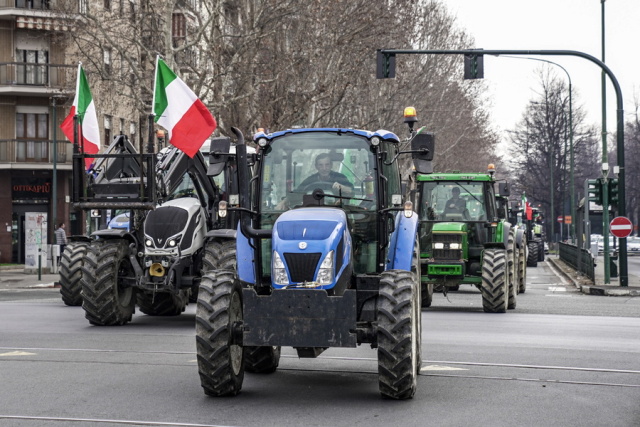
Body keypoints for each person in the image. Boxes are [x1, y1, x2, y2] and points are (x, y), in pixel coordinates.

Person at [277, 153, 354, 209]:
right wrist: (283, 202)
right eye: (320, 165)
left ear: (331, 165)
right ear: (316, 166)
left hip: (337, 211)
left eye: (327, 165)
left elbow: (352, 192)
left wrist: (343, 188)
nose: (324, 168)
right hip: (312, 212)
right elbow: (297, 193)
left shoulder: (340, 178)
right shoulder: (310, 180)